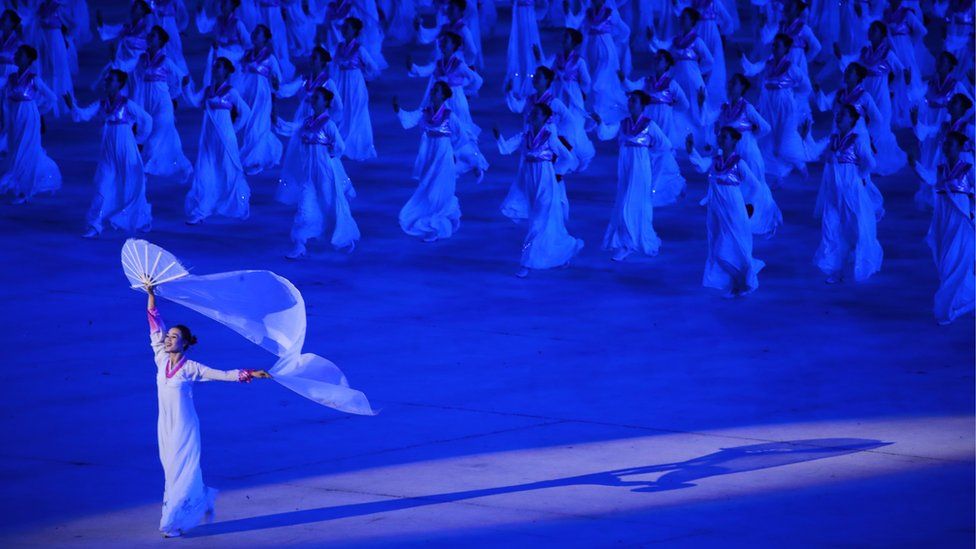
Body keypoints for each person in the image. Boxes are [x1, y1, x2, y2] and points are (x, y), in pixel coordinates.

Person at [144, 284, 271, 538]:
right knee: (170, 468)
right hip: (164, 424)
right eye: (168, 336)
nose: (168, 339)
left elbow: (222, 374)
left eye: (174, 337)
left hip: (183, 425)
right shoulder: (160, 357)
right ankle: (199, 499)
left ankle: (170, 521)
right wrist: (151, 293)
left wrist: (250, 374)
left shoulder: (191, 367)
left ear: (185, 344)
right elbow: (154, 323)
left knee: (181, 468)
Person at [495, 103, 583, 277]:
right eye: (532, 112)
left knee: (537, 223)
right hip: (531, 183)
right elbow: (505, 149)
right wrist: (498, 136)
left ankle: (526, 262)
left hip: (546, 182)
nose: (533, 115)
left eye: (537, 113)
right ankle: (565, 250)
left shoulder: (550, 136)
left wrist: (557, 172)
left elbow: (567, 157)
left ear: (545, 117)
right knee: (545, 223)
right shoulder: (525, 135)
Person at [65, 69, 153, 238]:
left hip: (125, 148)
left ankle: (142, 218)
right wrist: (73, 107)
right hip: (108, 151)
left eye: (110, 80)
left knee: (132, 183)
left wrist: (139, 140)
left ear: (119, 84)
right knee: (102, 184)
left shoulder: (127, 104)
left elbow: (147, 120)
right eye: (106, 80)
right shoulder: (102, 103)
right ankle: (95, 224)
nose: (106, 82)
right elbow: (84, 115)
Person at [275, 88, 360, 258]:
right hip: (309, 173)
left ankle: (344, 236)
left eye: (317, 98)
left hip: (324, 171)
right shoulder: (307, 123)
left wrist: (328, 156)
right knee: (304, 206)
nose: (313, 100)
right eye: (313, 97)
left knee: (329, 203)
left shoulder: (328, 125)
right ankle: (300, 244)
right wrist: (276, 120)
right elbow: (292, 130)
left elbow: (340, 147)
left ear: (326, 103)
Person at [691, 126, 765, 296]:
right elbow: (701, 166)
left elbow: (755, 186)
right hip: (717, 211)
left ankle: (741, 282)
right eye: (720, 136)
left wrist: (748, 204)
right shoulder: (714, 160)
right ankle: (738, 283)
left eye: (725, 136)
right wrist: (691, 151)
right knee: (721, 247)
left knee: (724, 249)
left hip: (733, 210)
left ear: (734, 141)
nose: (721, 138)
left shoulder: (739, 163)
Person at [596, 90, 670, 261]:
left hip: (640, 167)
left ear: (642, 106)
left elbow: (665, 144)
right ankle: (625, 240)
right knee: (623, 200)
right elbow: (605, 134)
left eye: (634, 101)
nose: (630, 103)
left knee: (634, 201)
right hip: (626, 166)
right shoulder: (623, 123)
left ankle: (628, 244)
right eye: (630, 100)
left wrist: (649, 154)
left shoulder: (649, 124)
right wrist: (600, 122)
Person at [814, 105, 883, 283]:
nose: (838, 117)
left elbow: (870, 163)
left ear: (852, 119)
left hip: (851, 191)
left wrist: (857, 177)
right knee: (830, 228)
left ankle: (861, 261)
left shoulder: (858, 139)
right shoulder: (834, 139)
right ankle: (836, 269)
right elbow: (820, 155)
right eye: (838, 114)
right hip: (833, 192)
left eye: (843, 114)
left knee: (855, 228)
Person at [181, 57, 252, 224]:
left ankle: (236, 203)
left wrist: (232, 129)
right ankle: (202, 209)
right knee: (204, 170)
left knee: (227, 170)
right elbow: (194, 101)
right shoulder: (208, 90)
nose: (215, 69)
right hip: (208, 137)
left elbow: (245, 112)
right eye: (215, 66)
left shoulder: (231, 92)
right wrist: (186, 88)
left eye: (219, 67)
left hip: (225, 139)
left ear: (226, 72)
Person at [0, 45, 62, 204]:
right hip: (14, 118)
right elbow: (6, 96)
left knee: (23, 149)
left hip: (28, 116)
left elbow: (52, 98)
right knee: (15, 148)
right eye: (17, 53)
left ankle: (19, 187)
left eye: (20, 54)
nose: (16, 56)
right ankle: (21, 187)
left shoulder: (34, 79)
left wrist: (38, 111)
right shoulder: (12, 77)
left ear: (28, 59)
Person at [132, 25, 192, 181]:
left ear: (160, 42)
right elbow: (135, 77)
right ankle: (179, 165)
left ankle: (149, 164)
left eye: (154, 36)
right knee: (160, 133)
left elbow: (182, 77)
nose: (150, 37)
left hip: (162, 102)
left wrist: (174, 95)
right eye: (150, 34)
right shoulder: (142, 59)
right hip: (147, 102)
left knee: (157, 132)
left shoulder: (165, 60)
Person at [927, 131, 975, 325]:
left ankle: (948, 308)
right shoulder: (941, 168)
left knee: (954, 263)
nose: (946, 146)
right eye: (945, 143)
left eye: (951, 143)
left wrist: (972, 212)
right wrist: (916, 167)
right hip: (944, 222)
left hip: (961, 223)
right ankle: (965, 298)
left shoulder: (968, 168)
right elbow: (931, 181)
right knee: (945, 262)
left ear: (960, 147)